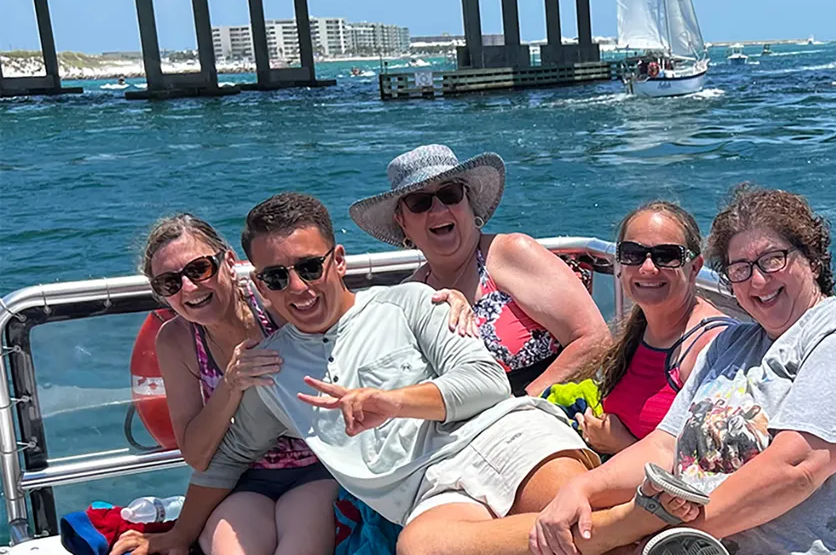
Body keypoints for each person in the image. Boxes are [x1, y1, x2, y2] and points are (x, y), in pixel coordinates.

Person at [112, 192, 599, 555]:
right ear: (261, 283)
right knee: (422, 547)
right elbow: (224, 457)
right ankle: (629, 521)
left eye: (309, 267)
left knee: (579, 523)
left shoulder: (409, 301)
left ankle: (623, 528)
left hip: (502, 440)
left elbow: (488, 382)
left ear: (338, 261)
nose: (298, 288)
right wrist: (177, 535)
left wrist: (391, 401)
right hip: (429, 490)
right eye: (279, 278)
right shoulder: (271, 364)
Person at [530, 184, 836, 555]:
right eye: (740, 268)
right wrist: (584, 488)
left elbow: (797, 467)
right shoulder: (729, 346)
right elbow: (665, 445)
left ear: (813, 259)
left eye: (773, 259)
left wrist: (668, 537)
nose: (758, 279)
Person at [139, 214, 337, 555]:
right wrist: (231, 385)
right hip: (243, 480)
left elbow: (348, 313)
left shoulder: (279, 307)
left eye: (199, 269)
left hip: (318, 469)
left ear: (229, 262)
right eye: (170, 283)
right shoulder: (176, 340)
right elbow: (197, 455)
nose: (188, 288)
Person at [349, 144, 610, 397]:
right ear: (402, 221)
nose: (438, 209)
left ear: (469, 201)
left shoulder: (510, 253)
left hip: (539, 414)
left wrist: (523, 405)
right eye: (419, 202)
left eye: (450, 194)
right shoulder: (412, 293)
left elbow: (595, 339)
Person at [574, 202, 735, 456]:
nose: (648, 268)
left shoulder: (711, 347)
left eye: (666, 256)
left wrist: (622, 446)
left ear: (694, 268)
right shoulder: (639, 330)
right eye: (632, 254)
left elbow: (715, 467)